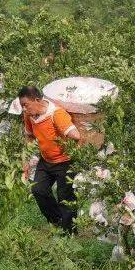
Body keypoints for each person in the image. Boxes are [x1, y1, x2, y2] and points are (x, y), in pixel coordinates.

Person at [18, 85, 82, 233]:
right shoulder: (29, 115)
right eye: (22, 106)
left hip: (65, 162)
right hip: (46, 160)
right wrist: (26, 161)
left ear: (37, 100)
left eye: (25, 105)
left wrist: (71, 138)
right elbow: (29, 136)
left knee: (65, 197)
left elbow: (76, 135)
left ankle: (69, 233)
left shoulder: (56, 114)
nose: (24, 109)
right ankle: (58, 220)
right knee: (38, 190)